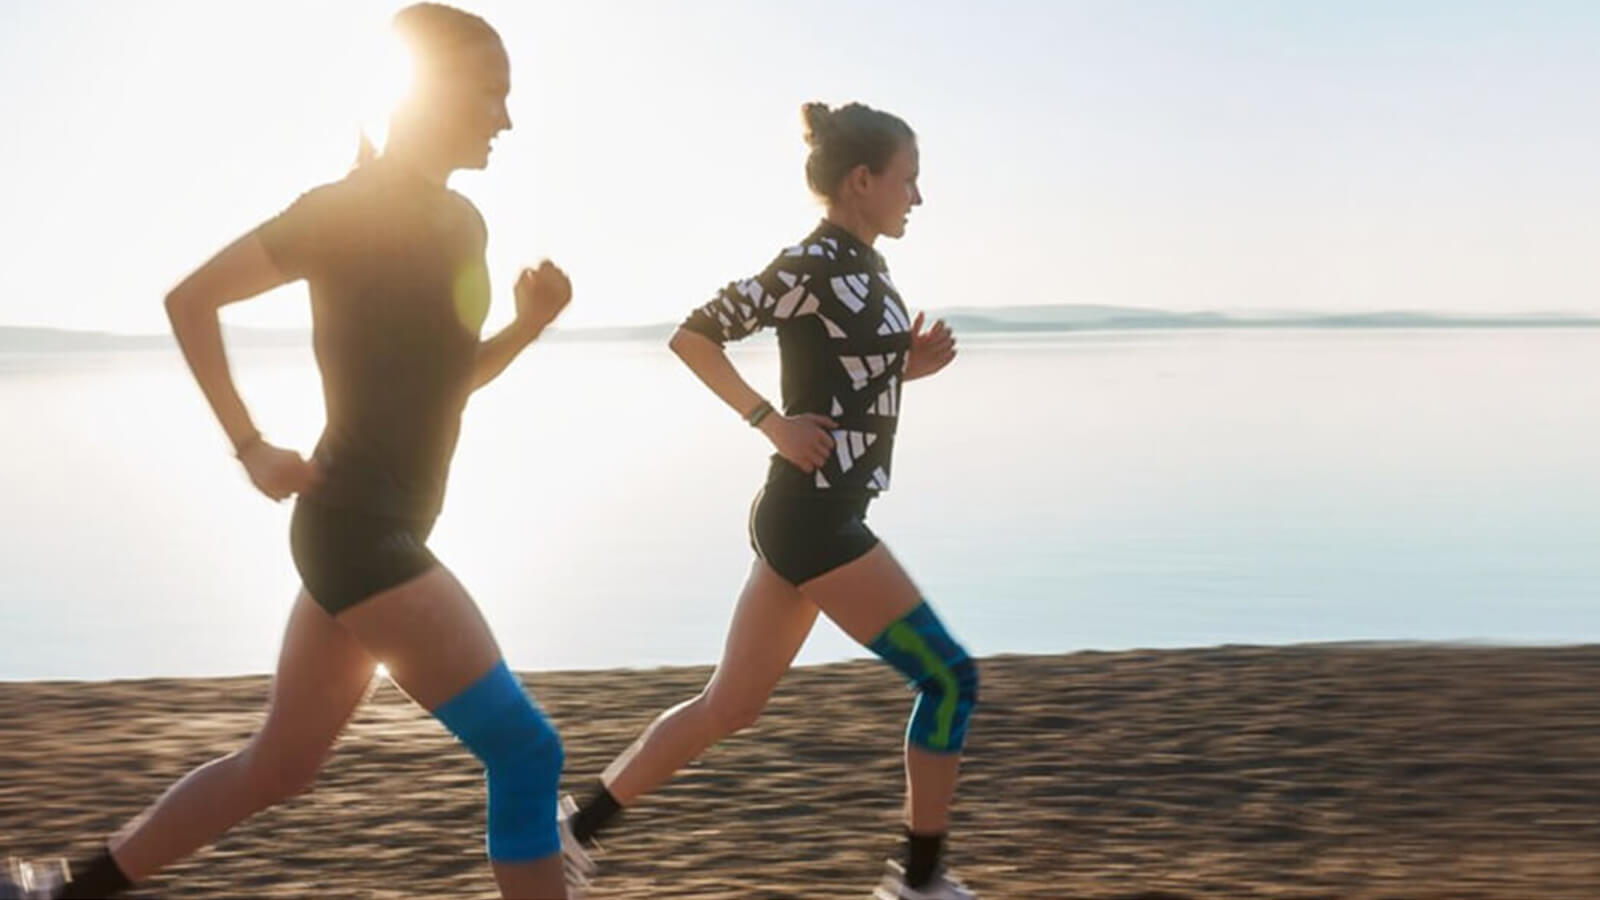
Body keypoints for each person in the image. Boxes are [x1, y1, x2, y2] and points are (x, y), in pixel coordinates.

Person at [3, 5, 578, 898]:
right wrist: (250, 445)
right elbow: (190, 301)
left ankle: (62, 893)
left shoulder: (464, 226)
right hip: (358, 533)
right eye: (492, 94)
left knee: (279, 766)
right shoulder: (341, 213)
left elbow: (451, 380)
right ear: (430, 94)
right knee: (526, 749)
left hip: (367, 529)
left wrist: (529, 327)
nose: (507, 119)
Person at [559, 101, 979, 900]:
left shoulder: (868, 265)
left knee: (728, 707)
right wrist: (769, 422)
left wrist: (906, 366)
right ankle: (919, 881)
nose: (917, 199)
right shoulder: (810, 264)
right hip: (813, 517)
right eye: (908, 180)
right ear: (862, 181)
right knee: (950, 680)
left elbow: (848, 379)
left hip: (811, 514)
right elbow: (694, 334)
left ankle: (573, 834)